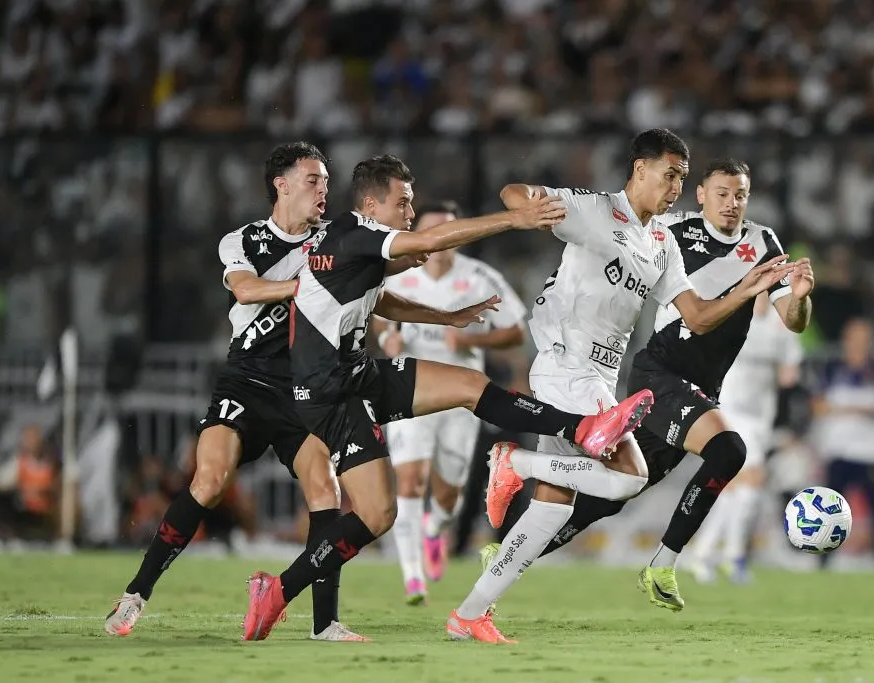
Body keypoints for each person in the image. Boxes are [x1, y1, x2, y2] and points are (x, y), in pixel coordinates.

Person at [240, 154, 656, 641]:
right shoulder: (355, 234)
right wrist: (513, 219)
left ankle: (575, 430)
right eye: (404, 202)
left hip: (358, 373)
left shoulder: (351, 243)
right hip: (327, 393)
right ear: (372, 204)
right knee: (379, 514)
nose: (410, 212)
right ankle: (277, 590)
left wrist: (446, 318)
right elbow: (431, 241)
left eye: (413, 202)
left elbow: (379, 297)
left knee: (468, 386)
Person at [447, 141, 800, 643]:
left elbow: (697, 316)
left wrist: (748, 289)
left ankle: (469, 614)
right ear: (639, 169)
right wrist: (529, 208)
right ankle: (514, 463)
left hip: (599, 376)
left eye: (681, 177)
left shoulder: (661, 240)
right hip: (567, 364)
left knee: (553, 507)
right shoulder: (594, 210)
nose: (676, 187)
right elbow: (513, 191)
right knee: (629, 477)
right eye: (669, 175)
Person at [106, 142, 366, 642]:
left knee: (325, 489)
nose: (323, 190)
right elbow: (246, 289)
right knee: (210, 479)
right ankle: (136, 593)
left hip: (305, 387)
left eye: (326, 181)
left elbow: (378, 292)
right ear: (281, 185)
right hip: (247, 380)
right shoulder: (242, 240)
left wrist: (441, 315)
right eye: (313, 180)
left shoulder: (335, 240)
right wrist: (312, 289)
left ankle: (325, 623)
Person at [372, 201, 528, 605]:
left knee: (447, 494)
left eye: (449, 231)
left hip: (462, 397)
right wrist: (388, 336)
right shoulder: (399, 274)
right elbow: (376, 312)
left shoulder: (479, 278)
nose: (441, 242)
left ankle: (434, 528)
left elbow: (514, 333)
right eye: (432, 231)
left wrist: (472, 339)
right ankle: (412, 577)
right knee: (409, 479)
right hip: (409, 388)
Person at [685, 291, 803, 583]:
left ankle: (705, 553)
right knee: (750, 481)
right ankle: (732, 556)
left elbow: (790, 375)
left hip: (760, 418)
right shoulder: (733, 315)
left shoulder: (780, 327)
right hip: (729, 409)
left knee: (735, 489)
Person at [812, 317, 874, 568]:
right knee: (831, 509)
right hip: (838, 449)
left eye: (865, 338)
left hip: (869, 451)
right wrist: (845, 410)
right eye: (856, 337)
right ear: (846, 340)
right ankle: (824, 560)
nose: (861, 343)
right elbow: (817, 406)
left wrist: (868, 411)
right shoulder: (832, 369)